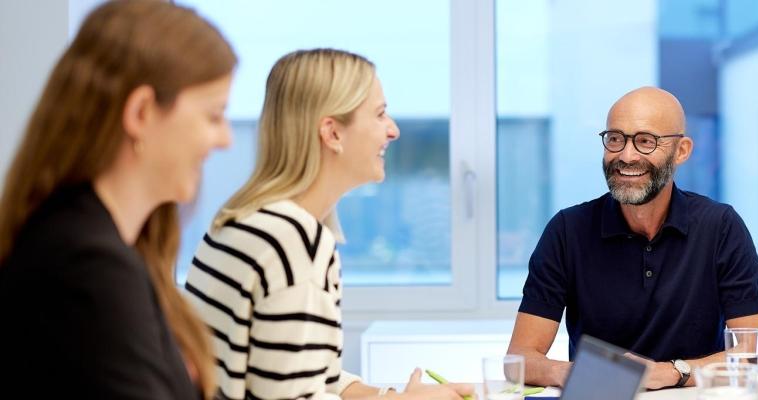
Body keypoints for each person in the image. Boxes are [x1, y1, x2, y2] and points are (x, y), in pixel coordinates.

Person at [184, 48, 473, 400]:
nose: (393, 130)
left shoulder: (239, 221)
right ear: (332, 133)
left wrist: (392, 397)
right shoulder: (294, 242)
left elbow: (312, 375)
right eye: (380, 114)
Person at [0, 1, 236, 398]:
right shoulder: (89, 264)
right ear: (141, 112)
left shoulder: (98, 246)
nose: (226, 139)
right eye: (213, 116)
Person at [507, 86, 758, 389]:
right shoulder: (568, 230)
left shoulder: (721, 227)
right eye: (615, 139)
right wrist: (580, 374)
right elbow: (518, 359)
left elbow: (756, 357)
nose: (626, 156)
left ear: (681, 151)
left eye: (646, 141)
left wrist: (671, 372)